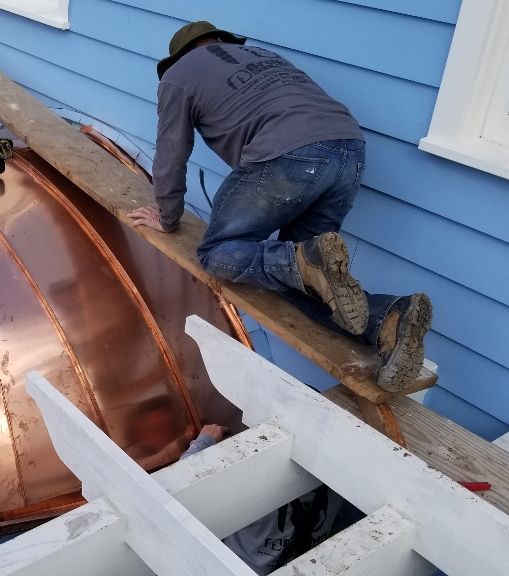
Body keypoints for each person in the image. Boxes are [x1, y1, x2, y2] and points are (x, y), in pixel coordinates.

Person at [129, 21, 432, 391]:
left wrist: (168, 216)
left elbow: (172, 152)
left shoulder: (178, 76)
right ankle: (386, 318)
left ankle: (306, 262)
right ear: (222, 42)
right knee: (298, 277)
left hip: (289, 155)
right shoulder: (265, 57)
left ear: (179, 56)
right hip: (350, 151)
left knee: (217, 253)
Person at [181, 425, 343, 574]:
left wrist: (205, 440)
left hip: (234, 565)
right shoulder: (342, 477)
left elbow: (181, 485)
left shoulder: (247, 484)